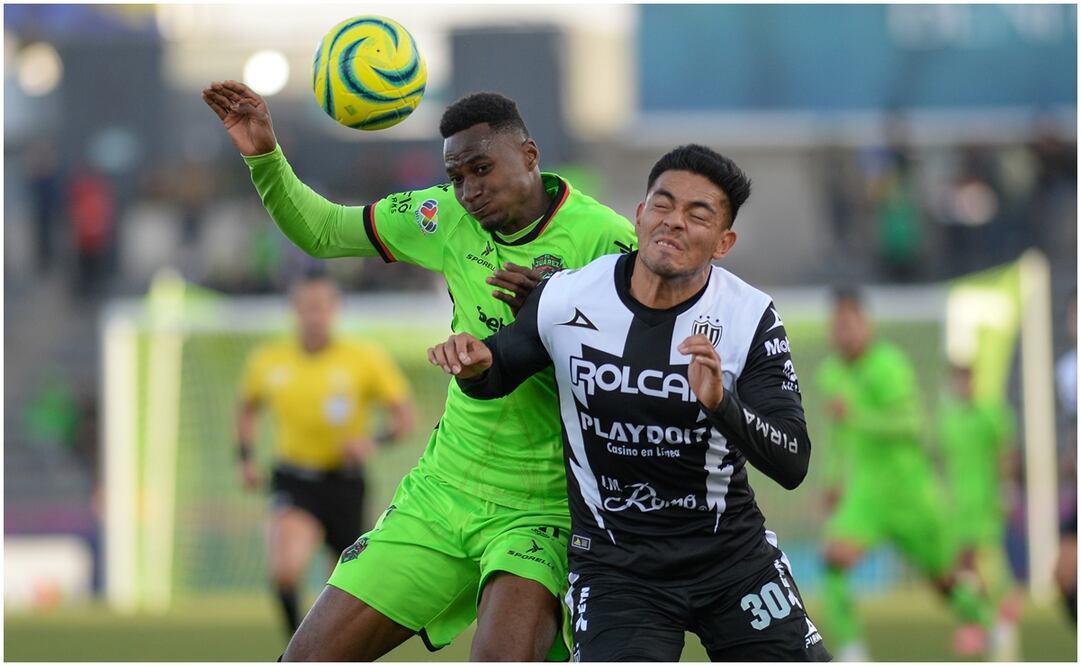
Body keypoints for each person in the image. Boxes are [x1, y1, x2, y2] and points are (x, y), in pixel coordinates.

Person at [204, 80, 637, 660]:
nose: (469, 191)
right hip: (442, 493)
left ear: (529, 155)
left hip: (545, 509)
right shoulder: (441, 217)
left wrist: (555, 319)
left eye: (482, 170)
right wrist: (264, 156)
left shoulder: (605, 240)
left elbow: (639, 375)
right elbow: (325, 231)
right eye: (457, 177)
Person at [429, 144, 831, 661]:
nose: (674, 222)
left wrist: (721, 403)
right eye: (662, 205)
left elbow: (793, 459)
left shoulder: (750, 317)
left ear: (723, 242)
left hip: (732, 561)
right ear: (640, 217)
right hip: (618, 571)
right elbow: (497, 370)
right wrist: (474, 367)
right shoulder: (567, 296)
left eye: (697, 214)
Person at [816, 288, 993, 661]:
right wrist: (833, 480)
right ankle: (851, 651)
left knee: (945, 584)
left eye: (850, 323)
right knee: (833, 558)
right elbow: (838, 434)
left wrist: (858, 416)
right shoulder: (831, 372)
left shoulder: (889, 365)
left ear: (867, 325)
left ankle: (985, 621)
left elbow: (910, 425)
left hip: (912, 493)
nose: (844, 332)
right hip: (867, 494)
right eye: (838, 325)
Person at [237, 272, 415, 639]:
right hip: (295, 479)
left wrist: (373, 441)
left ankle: (328, 649)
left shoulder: (364, 358)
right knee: (286, 569)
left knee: (345, 590)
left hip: (345, 483)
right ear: (294, 310)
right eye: (305, 307)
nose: (313, 316)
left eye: (320, 307)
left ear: (335, 310)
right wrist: (246, 458)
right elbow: (247, 407)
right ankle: (297, 649)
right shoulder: (269, 359)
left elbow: (404, 418)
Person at [938, 364, 1022, 658]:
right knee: (963, 568)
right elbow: (943, 458)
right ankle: (983, 625)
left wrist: (1007, 489)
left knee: (987, 564)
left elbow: (1006, 452)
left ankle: (1002, 618)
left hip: (985, 502)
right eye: (958, 379)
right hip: (958, 505)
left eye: (967, 378)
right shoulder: (949, 418)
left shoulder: (990, 415)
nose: (963, 385)